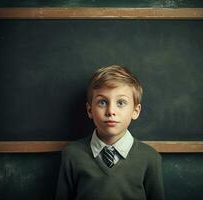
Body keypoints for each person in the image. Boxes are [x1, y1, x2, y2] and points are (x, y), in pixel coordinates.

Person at [55, 65, 165, 200]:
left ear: (135, 111)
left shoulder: (150, 158)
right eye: (102, 102)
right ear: (90, 110)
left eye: (121, 103)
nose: (110, 111)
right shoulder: (72, 155)